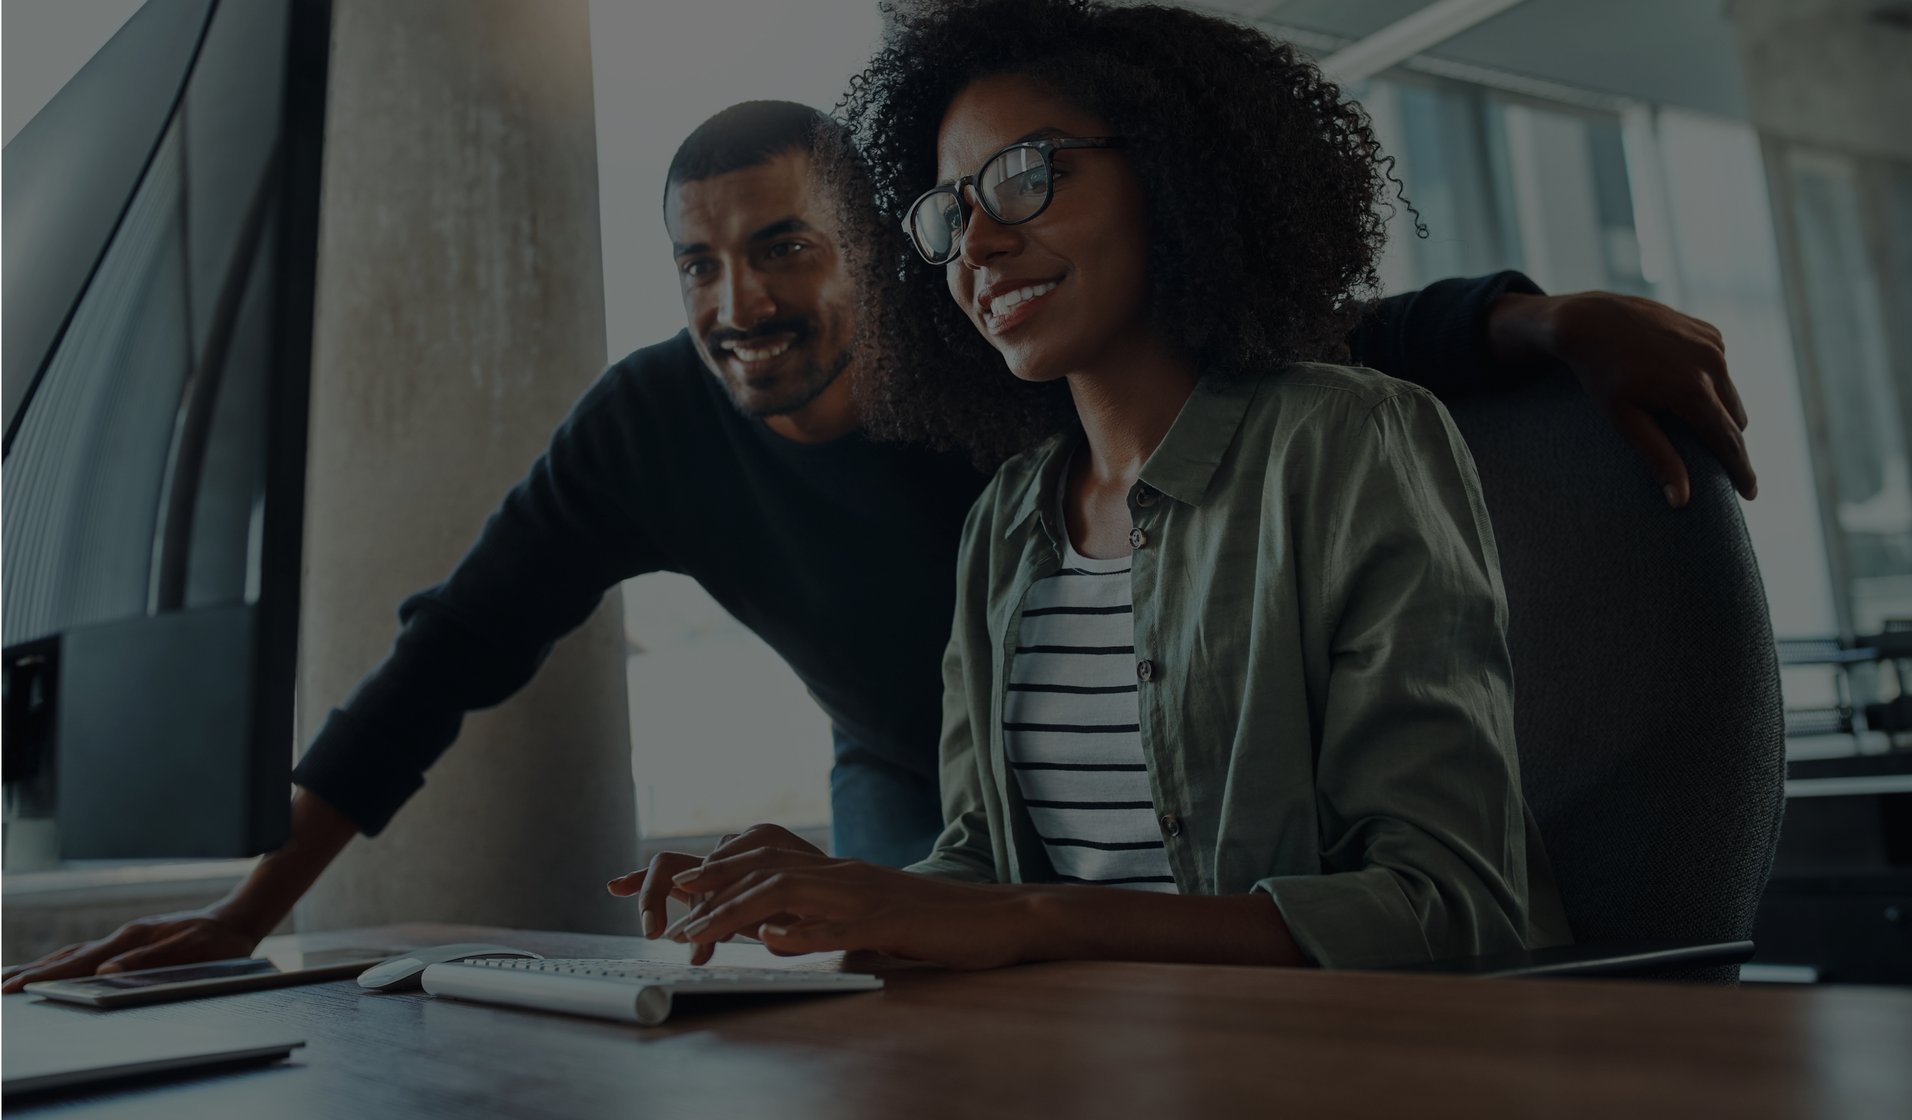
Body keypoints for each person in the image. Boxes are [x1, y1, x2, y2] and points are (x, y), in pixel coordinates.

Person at [6, 76, 1748, 986]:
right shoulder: (645, 426)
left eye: (783, 246)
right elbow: (448, 652)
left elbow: (1310, 344)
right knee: (877, 998)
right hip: (926, 786)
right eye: (696, 259)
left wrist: (1540, 320)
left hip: (1187, 788)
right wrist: (255, 909)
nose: (736, 301)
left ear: (880, 248)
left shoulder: (998, 363)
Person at [616, 0, 1591, 971]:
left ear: (1171, 170)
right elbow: (983, 867)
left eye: (1027, 176)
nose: (977, 244)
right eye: (951, 211)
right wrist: (827, 895)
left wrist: (1046, 918)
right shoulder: (1005, 519)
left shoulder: (1347, 439)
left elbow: (1455, 907)